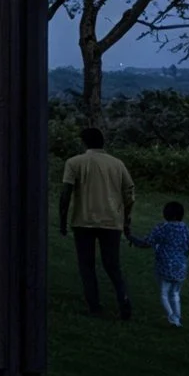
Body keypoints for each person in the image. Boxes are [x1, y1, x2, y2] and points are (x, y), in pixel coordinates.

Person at [58, 125, 135, 319]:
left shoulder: (74, 162)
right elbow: (129, 192)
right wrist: (126, 219)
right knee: (112, 265)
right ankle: (123, 299)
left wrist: (62, 220)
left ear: (83, 142)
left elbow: (65, 193)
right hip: (111, 221)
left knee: (87, 265)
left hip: (83, 221)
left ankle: (94, 306)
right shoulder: (117, 164)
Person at [129, 200, 189, 327]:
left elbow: (147, 243)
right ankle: (177, 317)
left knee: (164, 293)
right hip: (181, 266)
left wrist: (132, 238)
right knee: (175, 293)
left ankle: (171, 317)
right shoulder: (185, 228)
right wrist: (184, 258)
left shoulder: (162, 228)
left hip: (165, 266)